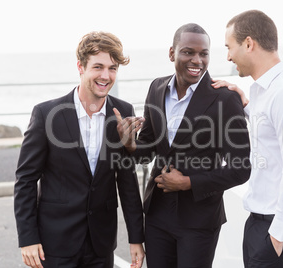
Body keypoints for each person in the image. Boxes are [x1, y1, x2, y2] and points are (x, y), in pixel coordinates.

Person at [114, 23, 251, 268]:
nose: (197, 60)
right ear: (171, 53)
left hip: (199, 220)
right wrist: (131, 145)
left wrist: (187, 183)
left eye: (204, 53)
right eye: (188, 52)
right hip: (157, 215)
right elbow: (148, 149)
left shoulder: (226, 99)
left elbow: (240, 168)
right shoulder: (156, 89)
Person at [14, 31, 145, 268]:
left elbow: (127, 179)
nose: (106, 76)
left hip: (101, 245)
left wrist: (136, 238)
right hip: (55, 243)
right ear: (81, 67)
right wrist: (27, 238)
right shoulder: (46, 115)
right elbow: (25, 180)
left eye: (113, 68)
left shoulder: (123, 112)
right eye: (98, 67)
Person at [212, 10, 283, 268]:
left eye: (230, 47)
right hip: (261, 224)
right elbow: (271, 133)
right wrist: (245, 104)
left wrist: (277, 234)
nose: (228, 56)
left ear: (249, 44)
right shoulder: (266, 92)